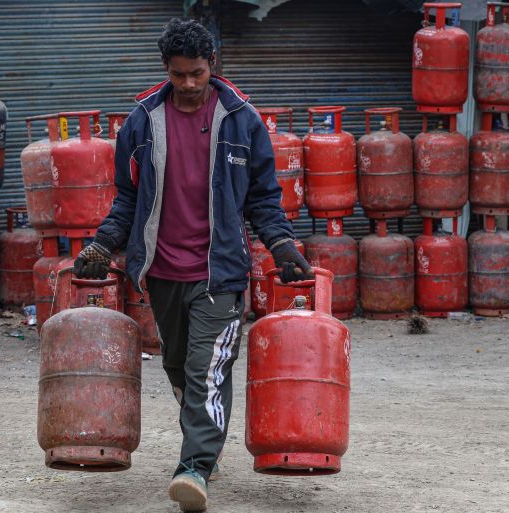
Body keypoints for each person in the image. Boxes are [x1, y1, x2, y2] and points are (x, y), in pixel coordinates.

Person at [72, 17, 312, 512]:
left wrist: (283, 247)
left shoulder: (242, 120)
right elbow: (127, 199)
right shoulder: (142, 120)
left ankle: (195, 466)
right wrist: (102, 245)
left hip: (220, 271)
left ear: (212, 66)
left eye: (197, 74)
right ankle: (206, 440)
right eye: (179, 75)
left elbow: (264, 198)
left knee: (208, 367)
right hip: (161, 271)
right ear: (167, 69)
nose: (187, 85)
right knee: (179, 365)